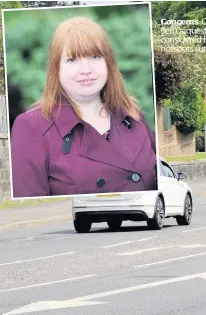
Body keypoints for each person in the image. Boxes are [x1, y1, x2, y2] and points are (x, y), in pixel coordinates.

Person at [9, 16, 158, 198]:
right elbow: (30, 210)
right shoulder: (32, 127)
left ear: (108, 63)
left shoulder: (133, 116)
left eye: (95, 57)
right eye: (72, 60)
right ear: (56, 69)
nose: (86, 69)